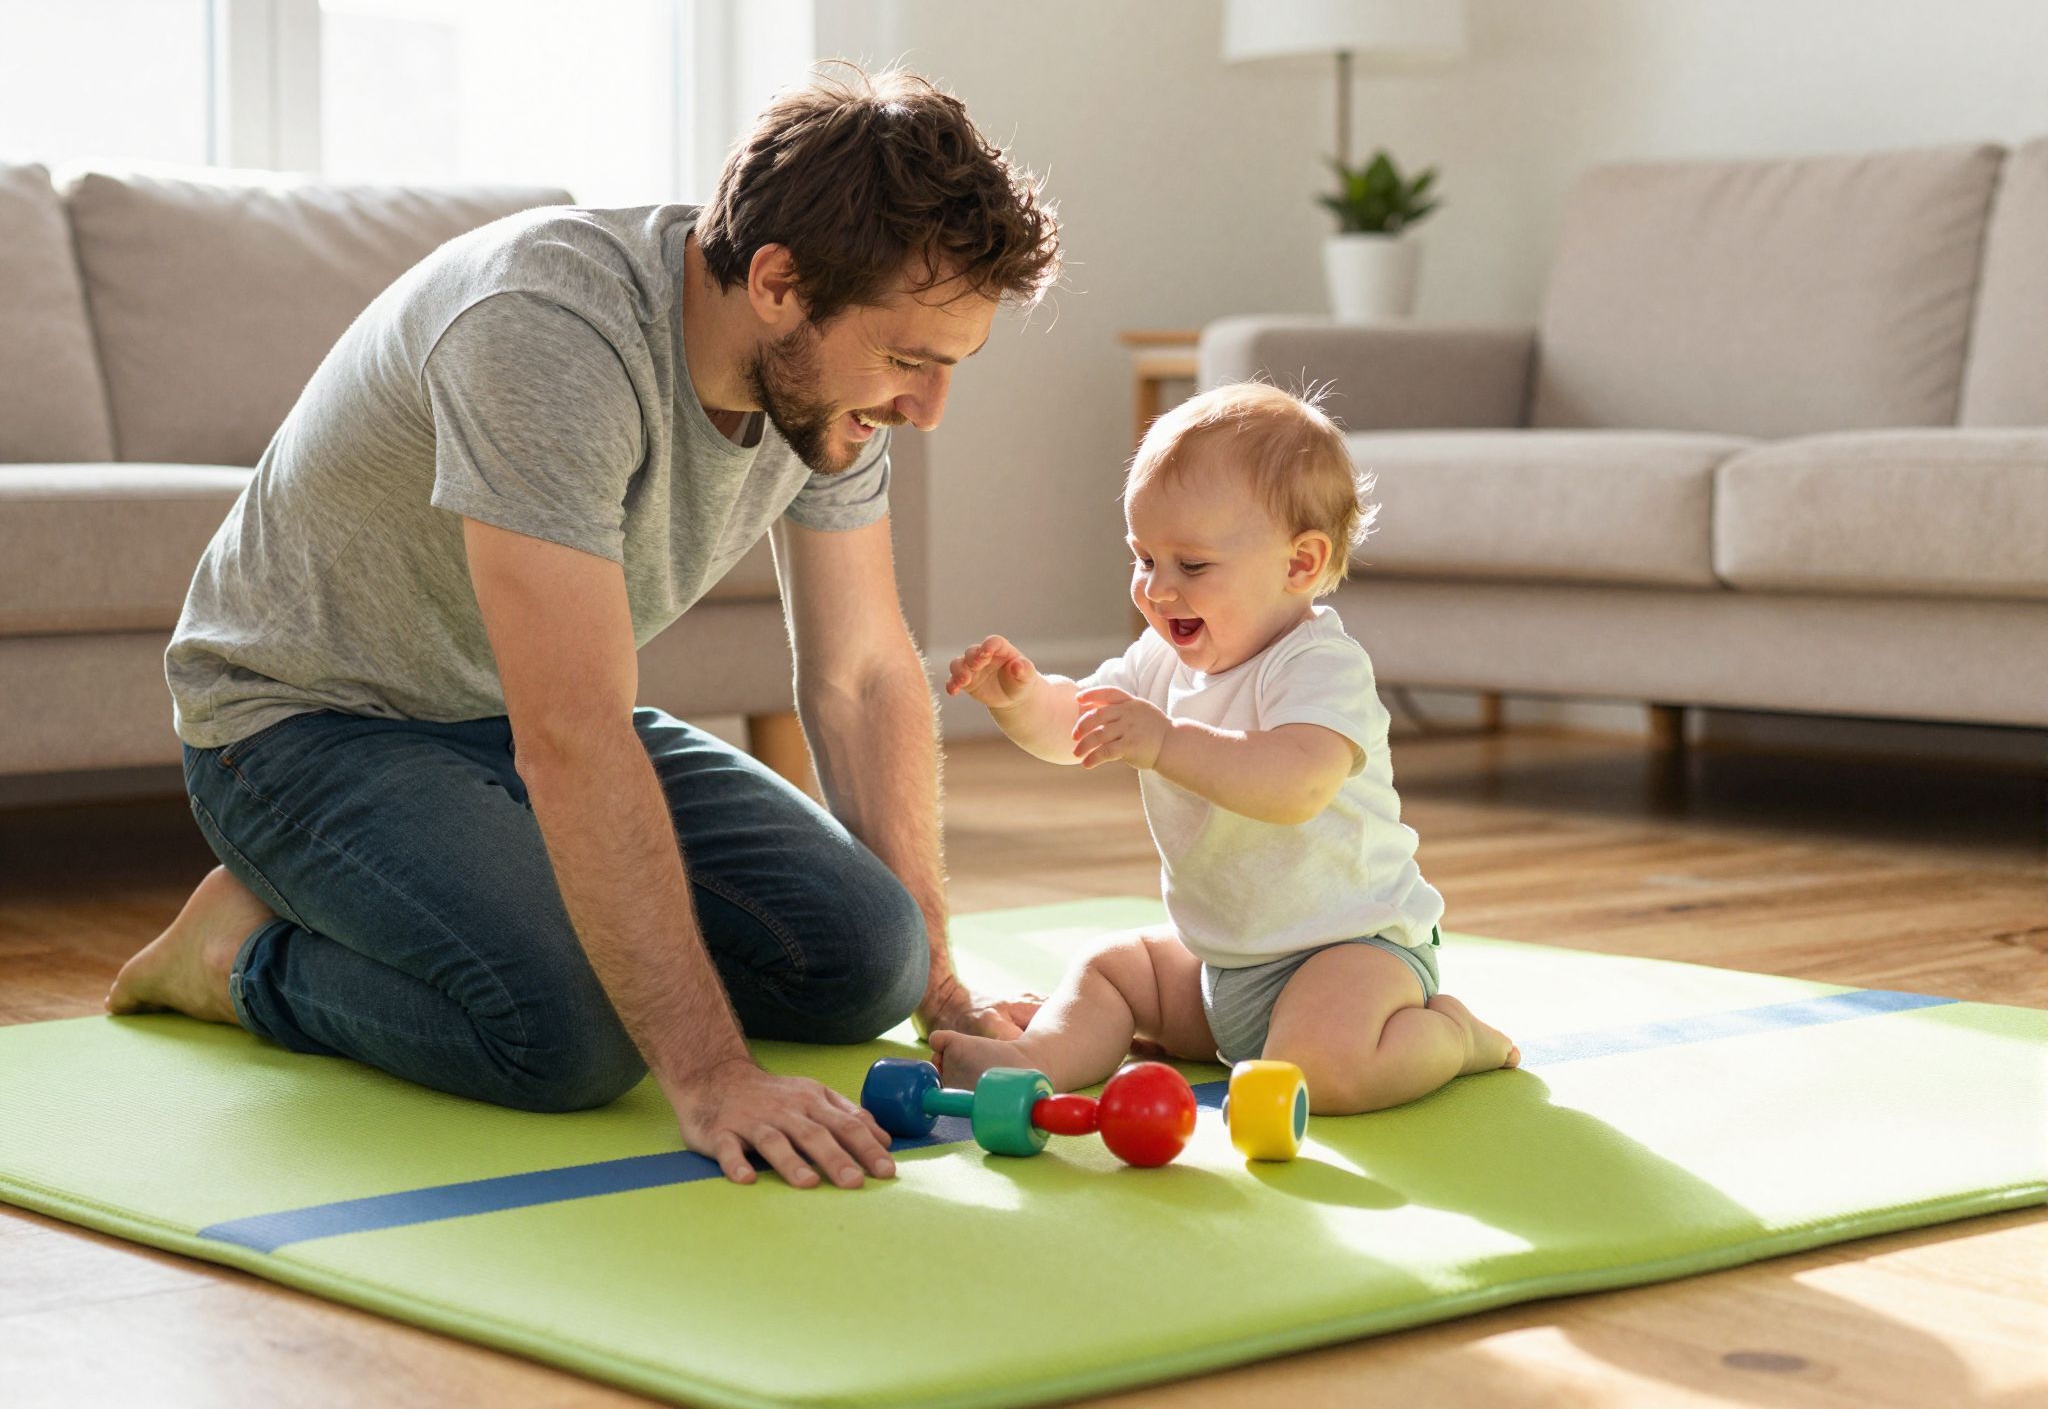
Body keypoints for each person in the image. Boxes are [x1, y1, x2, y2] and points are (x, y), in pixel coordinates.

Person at [108, 64, 1062, 1191]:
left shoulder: (834, 385)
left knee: (869, 962)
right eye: (909, 361)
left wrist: (941, 986)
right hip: (302, 725)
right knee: (566, 1037)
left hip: (507, 711)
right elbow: (570, 731)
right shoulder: (548, 331)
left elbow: (858, 672)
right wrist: (711, 1077)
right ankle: (234, 960)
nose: (927, 406)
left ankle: (464, 877)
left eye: (948, 366)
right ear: (775, 281)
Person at [933, 383, 1518, 1114]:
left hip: (1350, 949)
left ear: (1301, 565)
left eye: (1192, 565)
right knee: (1110, 968)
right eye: (1143, 558)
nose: (1157, 589)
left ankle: (1453, 1038)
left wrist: (1168, 741)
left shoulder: (1318, 667)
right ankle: (1039, 1054)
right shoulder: (1161, 659)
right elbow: (1077, 724)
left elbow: (1293, 786)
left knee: (1321, 1074)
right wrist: (1020, 701)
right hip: (1222, 959)